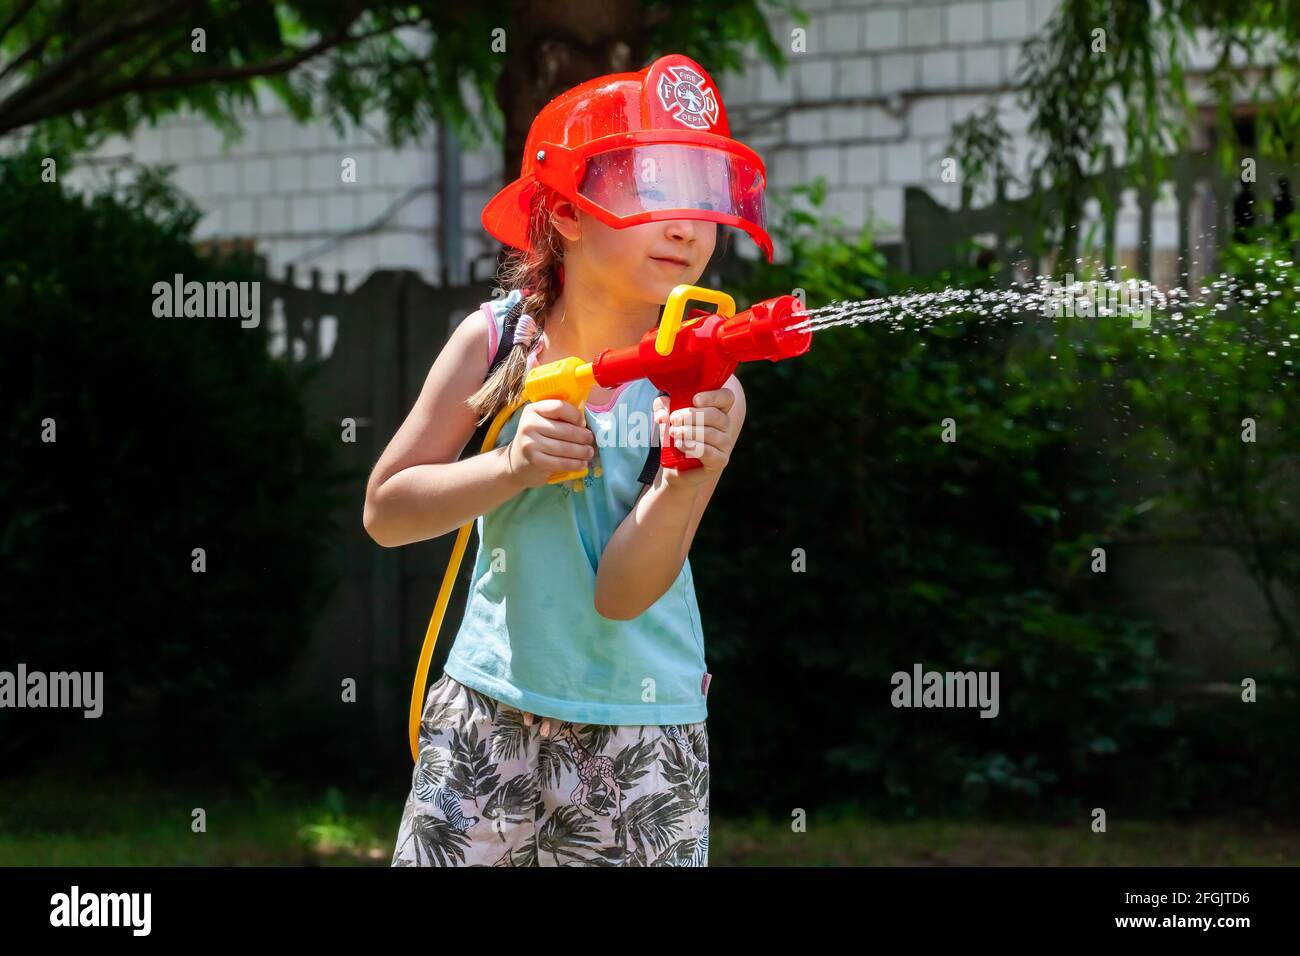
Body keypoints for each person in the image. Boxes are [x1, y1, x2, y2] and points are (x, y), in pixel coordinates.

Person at [365, 53, 774, 867]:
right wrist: (510, 467)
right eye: (652, 189)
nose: (688, 224)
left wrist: (695, 475)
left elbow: (623, 594)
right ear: (567, 213)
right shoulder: (494, 341)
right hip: (487, 713)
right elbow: (388, 512)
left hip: (642, 728)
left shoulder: (697, 385)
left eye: (703, 196)